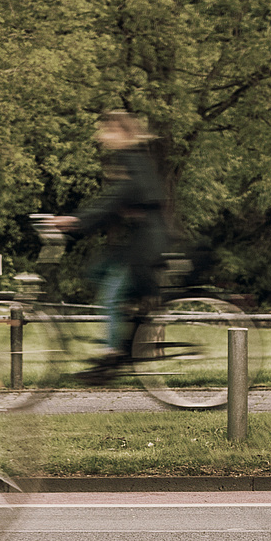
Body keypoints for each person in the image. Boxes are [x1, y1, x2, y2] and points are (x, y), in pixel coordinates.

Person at [49, 110, 170, 382]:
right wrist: (79, 223)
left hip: (147, 245)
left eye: (108, 130)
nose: (101, 136)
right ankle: (127, 324)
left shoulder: (134, 160)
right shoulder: (128, 160)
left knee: (112, 294)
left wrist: (75, 220)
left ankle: (113, 351)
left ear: (124, 134)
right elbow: (113, 205)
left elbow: (116, 199)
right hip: (139, 242)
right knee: (95, 270)